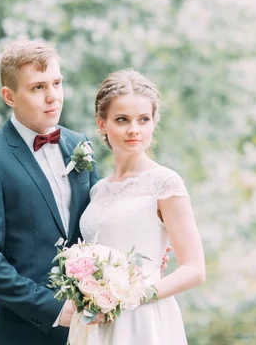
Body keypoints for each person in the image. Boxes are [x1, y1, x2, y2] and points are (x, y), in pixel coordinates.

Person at [0, 40, 98, 345]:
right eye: (38, 88)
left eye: (57, 83)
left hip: (87, 328)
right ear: (9, 96)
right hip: (21, 330)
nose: (53, 97)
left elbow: (97, 224)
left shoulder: (79, 145)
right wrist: (52, 309)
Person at [80, 69, 206, 344]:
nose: (133, 129)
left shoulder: (165, 183)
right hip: (96, 321)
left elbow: (194, 269)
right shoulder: (97, 189)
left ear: (153, 123)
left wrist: (132, 296)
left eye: (143, 119)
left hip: (144, 320)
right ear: (102, 124)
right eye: (122, 120)